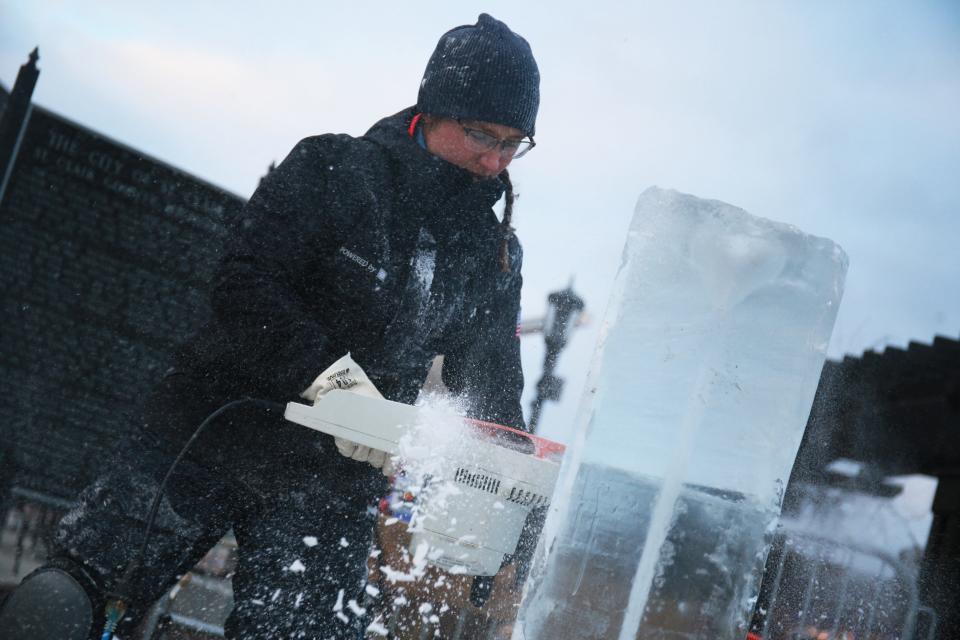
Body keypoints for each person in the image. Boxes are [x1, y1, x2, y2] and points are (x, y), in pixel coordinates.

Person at [0, 12, 539, 640]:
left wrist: (507, 496)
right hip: (213, 424)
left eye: (512, 142)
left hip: (332, 480)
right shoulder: (333, 170)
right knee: (64, 606)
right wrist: (328, 378)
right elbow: (244, 283)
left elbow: (492, 393)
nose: (493, 159)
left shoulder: (493, 254)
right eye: (480, 133)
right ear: (433, 109)